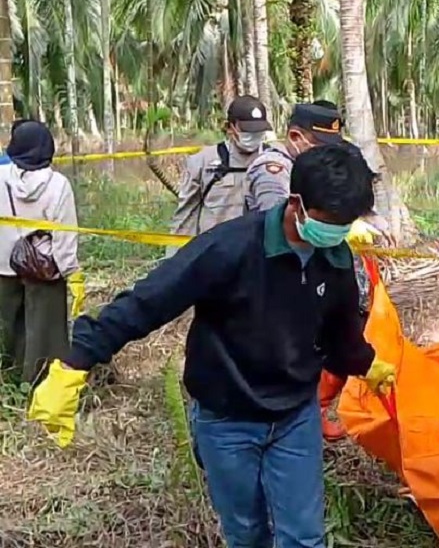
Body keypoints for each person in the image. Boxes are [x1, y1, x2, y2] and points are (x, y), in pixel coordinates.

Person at [27, 143, 398, 548]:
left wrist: (365, 363)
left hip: (295, 415)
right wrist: (77, 360)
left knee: (304, 536)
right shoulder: (230, 248)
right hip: (227, 418)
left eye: (346, 224)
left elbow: (339, 334)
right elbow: (149, 301)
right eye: (331, 222)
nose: (337, 233)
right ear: (297, 204)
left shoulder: (335, 258)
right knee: (247, 532)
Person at [244, 100, 386, 440]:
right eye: (321, 146)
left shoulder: (316, 171)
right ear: (296, 137)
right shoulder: (273, 170)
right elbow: (279, 222)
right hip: (279, 279)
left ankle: (313, 409)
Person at [0, 120, 83, 385]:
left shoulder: (1, 178)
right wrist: (70, 272)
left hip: (3, 264)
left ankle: (7, 378)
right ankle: (37, 383)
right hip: (45, 267)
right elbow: (65, 234)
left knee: (7, 326)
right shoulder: (58, 185)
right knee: (44, 333)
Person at [169, 95, 271, 238]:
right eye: (247, 130)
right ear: (229, 127)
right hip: (215, 248)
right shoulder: (203, 162)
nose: (253, 135)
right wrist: (178, 250)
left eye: (257, 131)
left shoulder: (276, 163)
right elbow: (186, 217)